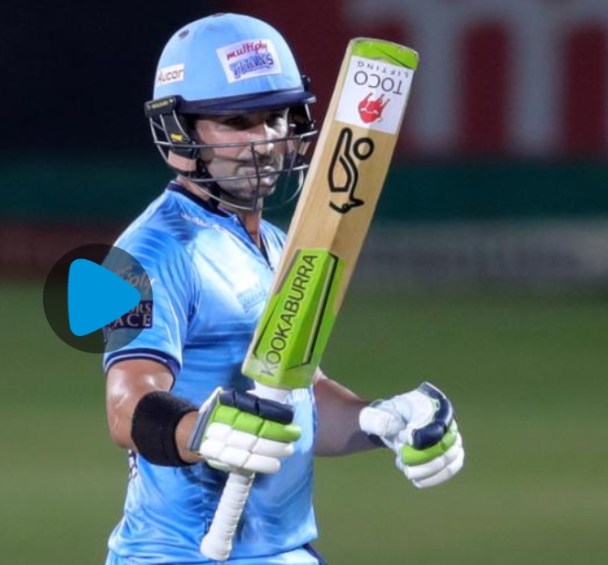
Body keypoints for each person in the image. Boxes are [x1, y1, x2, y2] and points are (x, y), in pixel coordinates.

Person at [102, 13, 465, 564]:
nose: (266, 141)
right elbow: (125, 404)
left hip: (285, 551)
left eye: (275, 117)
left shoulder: (281, 245)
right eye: (237, 122)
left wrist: (379, 421)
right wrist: (198, 430)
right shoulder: (143, 254)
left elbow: (295, 397)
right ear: (180, 130)